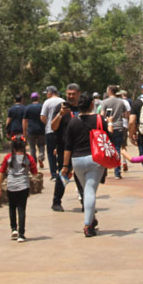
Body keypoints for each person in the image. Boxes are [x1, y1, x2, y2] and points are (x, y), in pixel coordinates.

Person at [61, 92, 105, 237]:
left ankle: (91, 220)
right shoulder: (99, 119)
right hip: (95, 159)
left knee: (87, 189)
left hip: (77, 160)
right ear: (92, 104)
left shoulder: (73, 122)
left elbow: (68, 146)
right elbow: (107, 138)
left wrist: (66, 166)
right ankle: (88, 226)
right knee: (90, 190)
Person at [0, 135, 37, 242]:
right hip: (23, 186)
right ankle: (21, 234)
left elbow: (1, 172)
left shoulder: (8, 158)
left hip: (11, 186)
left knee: (12, 207)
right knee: (21, 209)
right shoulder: (28, 158)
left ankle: (13, 229)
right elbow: (34, 172)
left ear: (13, 147)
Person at [49, 83, 81, 211]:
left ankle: (86, 202)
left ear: (78, 94)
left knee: (80, 175)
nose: (71, 96)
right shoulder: (60, 108)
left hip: (80, 146)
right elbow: (53, 126)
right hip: (64, 147)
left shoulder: (82, 107)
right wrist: (60, 114)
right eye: (69, 94)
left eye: (73, 94)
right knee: (63, 173)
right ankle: (56, 202)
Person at [99, 85, 130, 179]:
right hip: (119, 127)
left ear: (109, 91)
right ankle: (117, 173)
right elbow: (125, 115)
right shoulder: (121, 102)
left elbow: (102, 115)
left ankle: (104, 172)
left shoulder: (104, 102)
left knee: (105, 149)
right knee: (117, 149)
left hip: (108, 127)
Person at [40, 86, 65, 181]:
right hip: (61, 131)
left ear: (50, 93)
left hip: (50, 131)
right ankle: (62, 171)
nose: (46, 95)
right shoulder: (62, 101)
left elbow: (42, 117)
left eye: (46, 93)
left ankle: (54, 174)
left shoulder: (47, 102)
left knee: (51, 152)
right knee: (61, 151)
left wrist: (49, 124)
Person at [23, 92, 46, 168]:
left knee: (32, 148)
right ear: (38, 98)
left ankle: (33, 164)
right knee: (41, 145)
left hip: (31, 131)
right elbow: (45, 117)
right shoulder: (42, 106)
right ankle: (41, 157)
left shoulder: (28, 108)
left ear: (31, 99)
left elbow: (25, 121)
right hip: (41, 130)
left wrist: (24, 132)